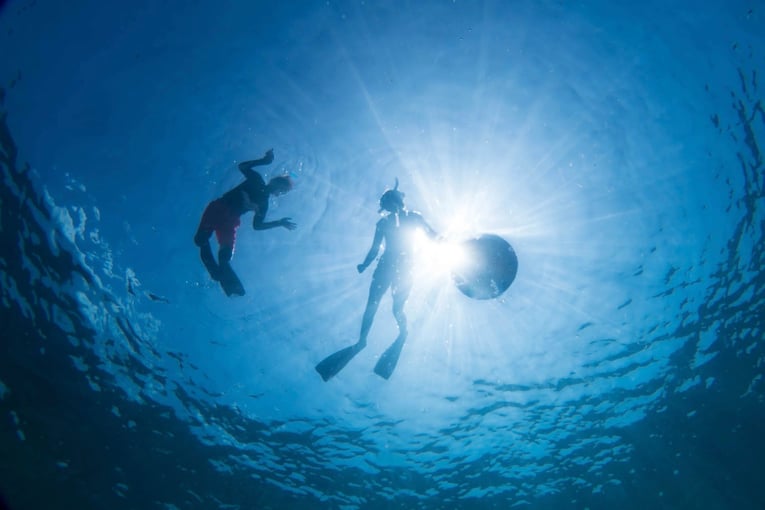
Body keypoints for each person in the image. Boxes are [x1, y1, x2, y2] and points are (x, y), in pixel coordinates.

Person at [315, 179, 438, 380]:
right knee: (372, 305)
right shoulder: (384, 223)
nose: (390, 207)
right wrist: (365, 264)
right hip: (386, 267)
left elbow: (432, 236)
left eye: (391, 202)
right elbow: (375, 248)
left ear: (397, 201)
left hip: (405, 268)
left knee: (396, 309)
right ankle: (362, 342)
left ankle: (402, 334)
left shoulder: (414, 217)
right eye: (387, 204)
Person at [194, 149, 296, 296]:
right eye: (280, 188)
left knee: (225, 258)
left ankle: (222, 277)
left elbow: (257, 226)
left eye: (282, 191)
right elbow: (242, 167)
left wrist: (279, 223)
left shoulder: (263, 204)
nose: (279, 192)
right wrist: (264, 161)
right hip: (219, 208)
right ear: (274, 182)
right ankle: (217, 273)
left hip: (231, 221)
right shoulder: (257, 180)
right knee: (200, 240)